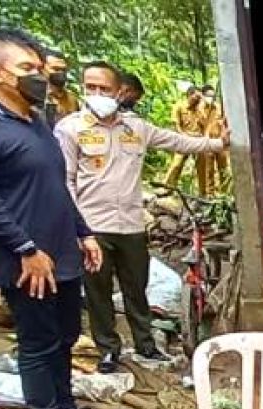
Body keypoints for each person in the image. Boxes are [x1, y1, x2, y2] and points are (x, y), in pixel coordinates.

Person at [0, 28, 108, 409]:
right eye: (27, 68)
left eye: (39, 67)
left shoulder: (37, 121)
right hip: (25, 258)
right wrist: (25, 247)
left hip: (62, 252)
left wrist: (83, 232)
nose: (38, 76)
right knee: (39, 341)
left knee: (68, 335)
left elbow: (55, 186)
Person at [56, 61, 227, 373]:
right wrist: (79, 231)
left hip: (132, 225)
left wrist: (218, 143)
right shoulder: (70, 129)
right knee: (99, 292)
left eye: (103, 88)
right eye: (89, 87)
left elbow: (178, 141)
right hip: (93, 227)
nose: (96, 93)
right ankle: (109, 350)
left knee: (137, 288)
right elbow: (65, 181)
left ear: (119, 91)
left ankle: (146, 346)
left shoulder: (136, 127)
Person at [163, 84, 209, 194]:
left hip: (198, 140)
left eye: (199, 98)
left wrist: (202, 109)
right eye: (196, 97)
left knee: (202, 167)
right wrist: (183, 136)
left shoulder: (200, 110)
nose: (197, 100)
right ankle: (166, 188)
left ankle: (204, 193)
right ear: (189, 95)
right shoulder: (179, 107)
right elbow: (176, 125)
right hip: (184, 139)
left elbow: (206, 126)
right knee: (176, 164)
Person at [200, 85, 228, 193]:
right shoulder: (199, 109)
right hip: (207, 143)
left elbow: (224, 122)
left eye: (212, 95)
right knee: (209, 171)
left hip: (220, 142)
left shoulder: (219, 108)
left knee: (223, 169)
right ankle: (210, 194)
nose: (210, 98)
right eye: (208, 95)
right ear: (203, 96)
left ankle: (225, 193)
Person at [42, 48, 78, 127]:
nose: (61, 73)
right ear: (42, 69)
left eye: (63, 70)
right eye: (56, 69)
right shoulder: (33, 96)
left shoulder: (71, 99)